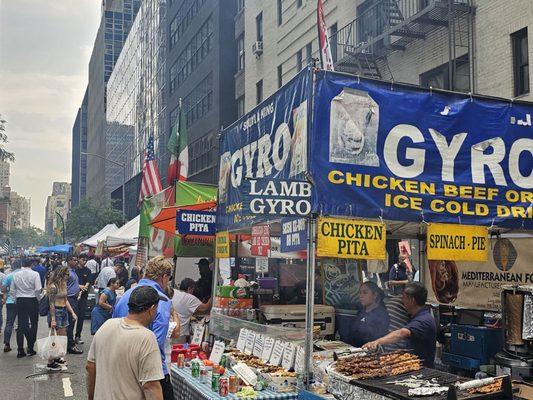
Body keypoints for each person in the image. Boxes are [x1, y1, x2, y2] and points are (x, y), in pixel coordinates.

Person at [113, 256, 176, 400]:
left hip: (121, 366)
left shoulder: (125, 295)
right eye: (169, 277)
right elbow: (156, 343)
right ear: (164, 276)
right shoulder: (161, 300)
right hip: (151, 372)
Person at [87, 286, 165, 400]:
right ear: (152, 309)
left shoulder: (107, 325)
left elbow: (90, 367)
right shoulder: (146, 338)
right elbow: (151, 386)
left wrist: (91, 397)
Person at [363, 282, 437, 368]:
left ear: (411, 300)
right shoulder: (417, 316)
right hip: (413, 366)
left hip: (423, 369)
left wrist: (377, 342)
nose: (402, 301)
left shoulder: (424, 319)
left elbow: (402, 333)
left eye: (404, 298)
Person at [47, 266, 78, 370]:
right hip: (56, 311)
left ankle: (57, 357)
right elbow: (51, 303)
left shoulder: (63, 284)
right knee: (55, 338)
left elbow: (66, 300)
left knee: (62, 337)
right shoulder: (53, 286)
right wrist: (53, 319)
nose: (68, 277)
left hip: (64, 311)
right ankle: (50, 361)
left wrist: (72, 312)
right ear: (61, 274)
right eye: (66, 275)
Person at [12, 257, 42, 358]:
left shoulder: (16, 274)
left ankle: (20, 350)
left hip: (20, 300)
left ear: (22, 264)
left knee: (21, 325)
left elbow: (12, 290)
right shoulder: (35, 274)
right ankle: (30, 347)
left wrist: (16, 299)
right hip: (32, 299)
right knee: (34, 324)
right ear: (32, 265)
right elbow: (38, 289)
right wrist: (39, 299)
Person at [350, 281, 390, 347]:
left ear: (375, 295)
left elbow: (377, 338)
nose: (361, 296)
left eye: (365, 293)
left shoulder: (381, 314)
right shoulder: (361, 312)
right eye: (360, 293)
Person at [172, 278, 212, 343]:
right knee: (180, 351)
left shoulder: (174, 292)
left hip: (170, 331)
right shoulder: (190, 298)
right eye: (193, 289)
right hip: (180, 334)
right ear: (189, 288)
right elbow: (205, 307)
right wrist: (212, 296)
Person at [2, 259, 20, 352]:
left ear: (12, 267)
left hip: (10, 302)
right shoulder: (22, 275)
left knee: (9, 323)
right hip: (22, 301)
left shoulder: (8, 276)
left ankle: (6, 344)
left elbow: (3, 288)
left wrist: (8, 291)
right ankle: (23, 346)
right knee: (22, 323)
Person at [75, 257, 93, 345]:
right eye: (83, 259)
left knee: (81, 316)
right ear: (79, 260)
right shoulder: (74, 270)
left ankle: (78, 336)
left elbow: (88, 282)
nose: (85, 261)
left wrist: (83, 289)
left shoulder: (88, 271)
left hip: (83, 296)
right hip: (73, 296)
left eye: (86, 260)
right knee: (72, 317)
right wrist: (78, 286)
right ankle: (68, 337)